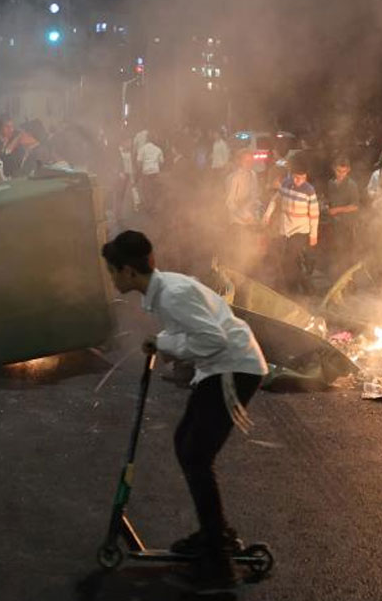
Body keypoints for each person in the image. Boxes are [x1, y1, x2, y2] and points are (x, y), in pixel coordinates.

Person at [101, 230, 268, 591]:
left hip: (233, 367)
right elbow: (197, 336)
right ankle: (215, 533)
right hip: (219, 369)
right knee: (185, 444)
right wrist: (164, 342)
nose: (111, 277)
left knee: (195, 455)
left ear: (129, 272)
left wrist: (163, 342)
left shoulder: (173, 294)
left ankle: (219, 564)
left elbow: (213, 339)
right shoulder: (165, 291)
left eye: (113, 271)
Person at [263, 153, 319, 294]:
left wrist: (313, 235)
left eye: (302, 178)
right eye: (296, 177)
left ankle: (294, 289)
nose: (299, 181)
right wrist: (267, 215)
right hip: (285, 229)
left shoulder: (309, 191)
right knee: (286, 260)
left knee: (289, 259)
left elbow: (314, 215)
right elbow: (276, 199)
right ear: (291, 175)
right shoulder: (286, 184)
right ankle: (299, 285)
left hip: (300, 230)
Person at [323, 155, 361, 278]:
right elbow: (330, 200)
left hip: (348, 226)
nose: (341, 174)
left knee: (348, 254)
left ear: (348, 170)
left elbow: (355, 206)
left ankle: (350, 281)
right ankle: (338, 278)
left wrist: (337, 210)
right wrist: (327, 206)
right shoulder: (330, 183)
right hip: (335, 224)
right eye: (339, 171)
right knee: (337, 252)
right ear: (334, 169)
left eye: (344, 172)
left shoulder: (351, 185)